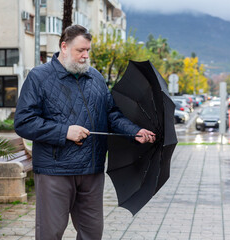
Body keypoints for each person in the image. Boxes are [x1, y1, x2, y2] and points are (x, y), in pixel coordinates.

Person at [14, 25, 155, 240]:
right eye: (81, 50)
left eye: (88, 50)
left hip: (91, 170)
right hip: (55, 171)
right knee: (50, 233)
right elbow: (24, 122)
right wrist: (64, 132)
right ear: (64, 46)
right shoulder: (39, 77)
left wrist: (134, 131)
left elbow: (111, 115)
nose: (86, 55)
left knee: (92, 233)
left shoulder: (95, 77)